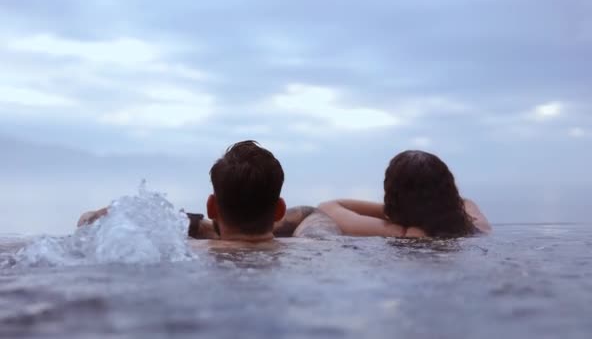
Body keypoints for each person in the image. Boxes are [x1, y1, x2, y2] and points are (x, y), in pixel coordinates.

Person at [78, 140, 341, 242]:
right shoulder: (316, 246)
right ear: (279, 210)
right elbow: (312, 213)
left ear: (212, 206)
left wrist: (193, 224)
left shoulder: (187, 255)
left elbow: (87, 224)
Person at [319, 150, 491, 238]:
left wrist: (395, 211)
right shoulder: (479, 227)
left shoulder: (400, 233)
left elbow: (327, 208)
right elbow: (464, 201)